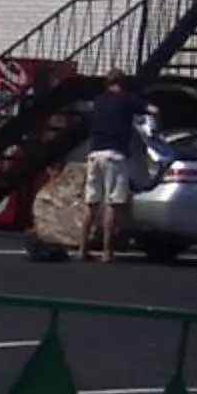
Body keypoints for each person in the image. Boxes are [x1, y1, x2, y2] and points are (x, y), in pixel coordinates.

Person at [81, 69, 148, 264]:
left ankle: (82, 248)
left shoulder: (99, 101)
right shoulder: (127, 99)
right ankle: (107, 251)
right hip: (115, 155)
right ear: (123, 82)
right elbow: (152, 110)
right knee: (112, 203)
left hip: (94, 153)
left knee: (91, 202)